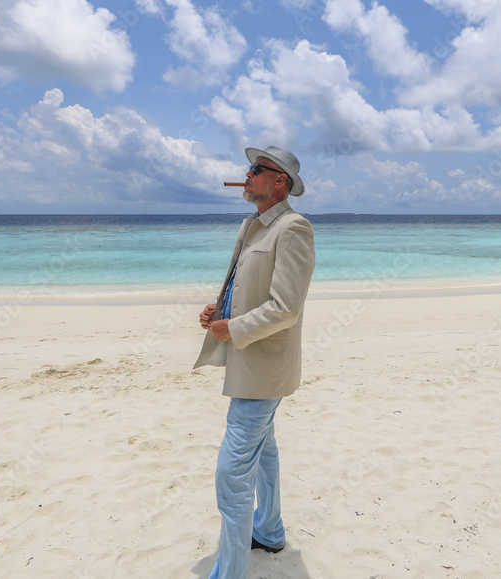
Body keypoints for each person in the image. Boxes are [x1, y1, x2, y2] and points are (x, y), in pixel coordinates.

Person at [195, 145, 316, 578]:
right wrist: (219, 310)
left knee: (232, 474)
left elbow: (285, 307)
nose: (245, 175)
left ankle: (230, 572)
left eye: (254, 169)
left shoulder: (293, 228)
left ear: (278, 181)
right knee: (263, 452)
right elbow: (246, 286)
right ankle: (268, 528)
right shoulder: (251, 224)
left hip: (265, 367)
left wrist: (235, 328)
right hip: (249, 359)